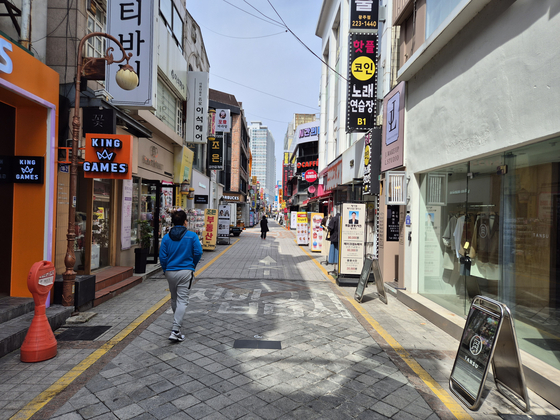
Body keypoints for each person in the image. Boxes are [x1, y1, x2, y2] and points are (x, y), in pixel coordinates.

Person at [159, 210, 203, 342]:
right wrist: (192, 265)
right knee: (183, 300)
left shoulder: (166, 237)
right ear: (185, 221)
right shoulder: (191, 236)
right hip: (185, 272)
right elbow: (198, 252)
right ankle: (175, 330)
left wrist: (166, 269)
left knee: (174, 299)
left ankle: (176, 323)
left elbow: (162, 256)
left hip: (170, 272)